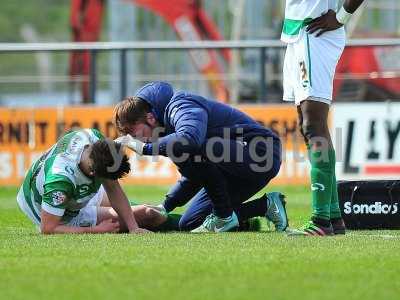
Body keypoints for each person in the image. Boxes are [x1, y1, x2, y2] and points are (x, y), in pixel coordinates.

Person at [114, 81, 288, 233]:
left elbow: (191, 140)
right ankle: (265, 206)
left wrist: (146, 148)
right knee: (189, 222)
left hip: (262, 153)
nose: (137, 141)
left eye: (136, 135)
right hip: (235, 168)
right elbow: (194, 173)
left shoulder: (181, 104)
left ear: (150, 118)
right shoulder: (167, 129)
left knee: (198, 147)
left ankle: (224, 216)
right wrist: (165, 207)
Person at [281, 0, 365, 236]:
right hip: (298, 33)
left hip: (316, 33)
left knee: (313, 125)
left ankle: (320, 220)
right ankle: (333, 216)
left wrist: (341, 17)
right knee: (307, 125)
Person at [16, 128, 165, 234]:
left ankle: (177, 221)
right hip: (54, 213)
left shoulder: (93, 137)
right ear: (94, 173)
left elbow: (113, 188)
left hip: (74, 186)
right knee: (147, 213)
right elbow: (48, 228)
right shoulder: (60, 181)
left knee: (147, 212)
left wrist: (133, 228)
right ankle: (185, 224)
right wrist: (95, 230)